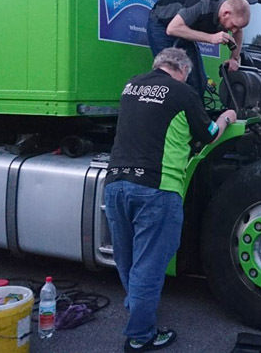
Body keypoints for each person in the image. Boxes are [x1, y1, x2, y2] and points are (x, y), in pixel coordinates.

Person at [104, 48, 237, 352]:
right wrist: (226, 117)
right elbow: (208, 134)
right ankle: (140, 336)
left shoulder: (130, 86)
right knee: (149, 265)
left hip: (115, 184)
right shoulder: (182, 92)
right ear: (181, 69)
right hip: (157, 188)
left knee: (128, 258)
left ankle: (136, 304)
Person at [147, 0, 250, 98]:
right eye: (233, 25)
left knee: (198, 80)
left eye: (238, 27)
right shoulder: (200, 3)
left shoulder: (231, 14)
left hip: (184, 28)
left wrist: (234, 58)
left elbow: (239, 32)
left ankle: (196, 113)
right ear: (226, 13)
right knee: (172, 75)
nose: (234, 30)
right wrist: (211, 38)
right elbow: (172, 29)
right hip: (163, 24)